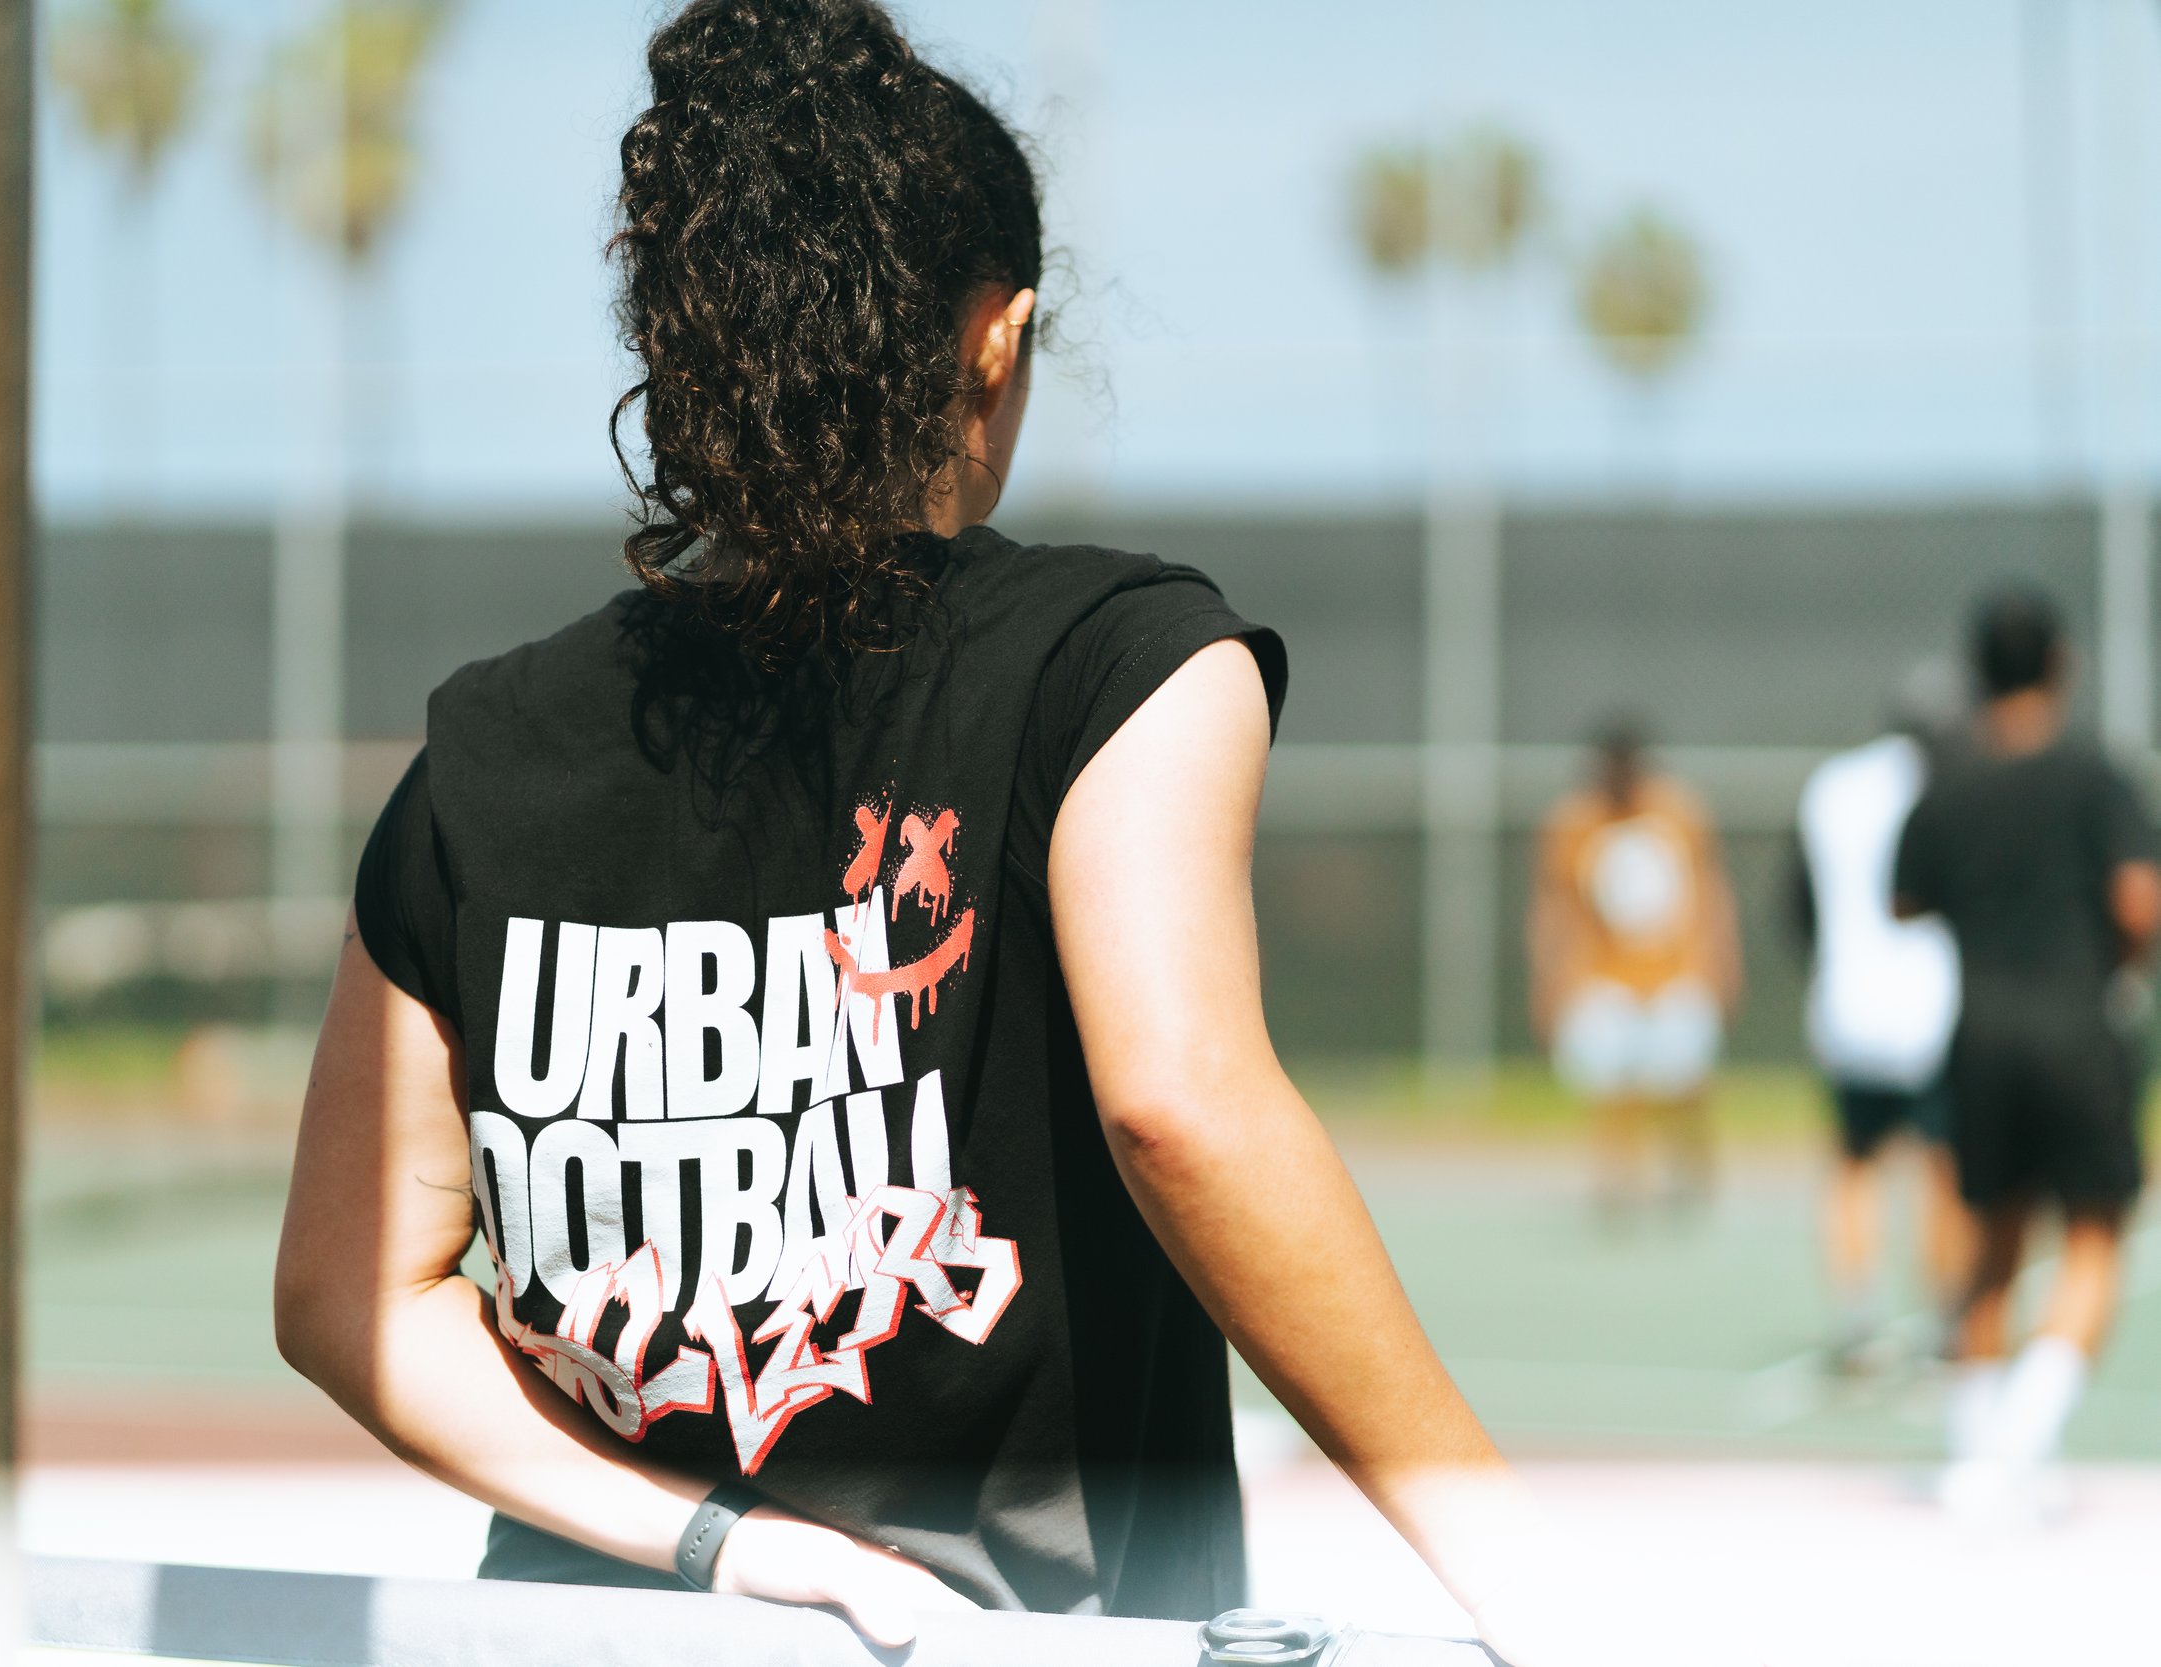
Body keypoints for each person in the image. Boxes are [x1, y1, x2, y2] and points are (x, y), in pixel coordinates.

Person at [269, 4, 1616, 1662]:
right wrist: (1538, 1585)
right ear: (996, 334)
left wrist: (725, 1545)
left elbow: (348, 1295)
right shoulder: (1121, 665)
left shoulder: (484, 749)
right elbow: (1182, 1106)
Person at [1893, 584, 2158, 1517]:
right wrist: (2117, 957)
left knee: (1992, 1248)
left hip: (1980, 1030)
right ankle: (2020, 1440)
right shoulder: (2095, 774)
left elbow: (1904, 899)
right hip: (2075, 1024)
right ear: (2061, 662)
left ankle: (1973, 1452)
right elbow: (2138, 903)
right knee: (2094, 1237)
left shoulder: (1949, 781)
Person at [1785, 671, 1968, 1371]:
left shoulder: (1834, 785)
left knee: (1854, 1164)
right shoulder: (1955, 784)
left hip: (1848, 1008)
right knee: (1943, 1170)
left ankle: (1858, 1318)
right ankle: (1947, 1319)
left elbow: (1799, 902)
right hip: (1934, 1013)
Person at [1529, 718, 1744, 1216]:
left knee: (1683, 1081)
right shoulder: (1574, 824)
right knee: (1610, 1086)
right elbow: (1556, 910)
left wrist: (1722, 963)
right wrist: (1549, 981)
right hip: (1604, 979)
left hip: (1676, 975)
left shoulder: (1679, 814)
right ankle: (1619, 1180)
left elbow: (1710, 895)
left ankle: (1691, 1168)